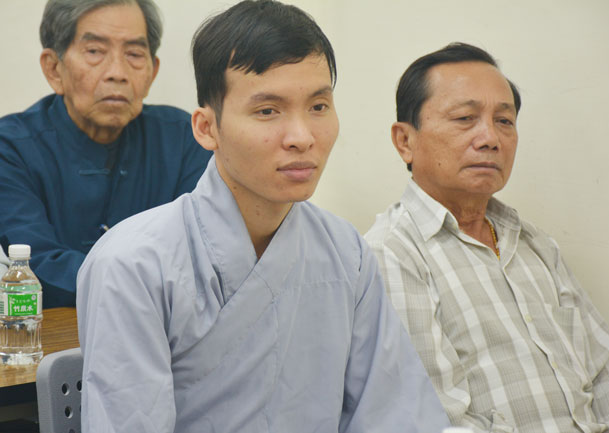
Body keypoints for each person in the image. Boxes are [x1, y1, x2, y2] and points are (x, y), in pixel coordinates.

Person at [76, 2, 450, 432]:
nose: (302, 137)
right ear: (206, 128)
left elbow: (395, 415)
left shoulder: (347, 253)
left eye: (318, 106)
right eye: (268, 111)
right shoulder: (133, 265)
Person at [365, 42, 609, 433]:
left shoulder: (535, 244)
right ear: (405, 141)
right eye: (465, 118)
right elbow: (435, 419)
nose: (490, 138)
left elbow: (607, 371)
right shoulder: (392, 253)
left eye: (504, 120)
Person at [0, 0, 211, 308]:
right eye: (95, 51)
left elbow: (203, 257)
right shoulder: (11, 148)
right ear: (54, 68)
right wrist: (146, 282)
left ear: (152, 72)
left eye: (134, 54)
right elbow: (34, 264)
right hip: (52, 331)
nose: (117, 73)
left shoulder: (186, 139)